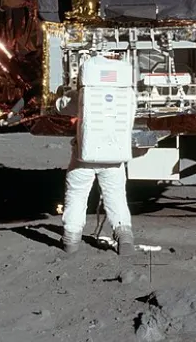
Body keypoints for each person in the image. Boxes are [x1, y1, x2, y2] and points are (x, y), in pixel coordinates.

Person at [54, 67, 138, 256]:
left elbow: (59, 106)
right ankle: (124, 237)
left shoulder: (81, 95)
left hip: (84, 157)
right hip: (114, 158)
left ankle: (71, 240)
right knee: (116, 197)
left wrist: (63, 93)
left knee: (76, 195)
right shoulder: (129, 95)